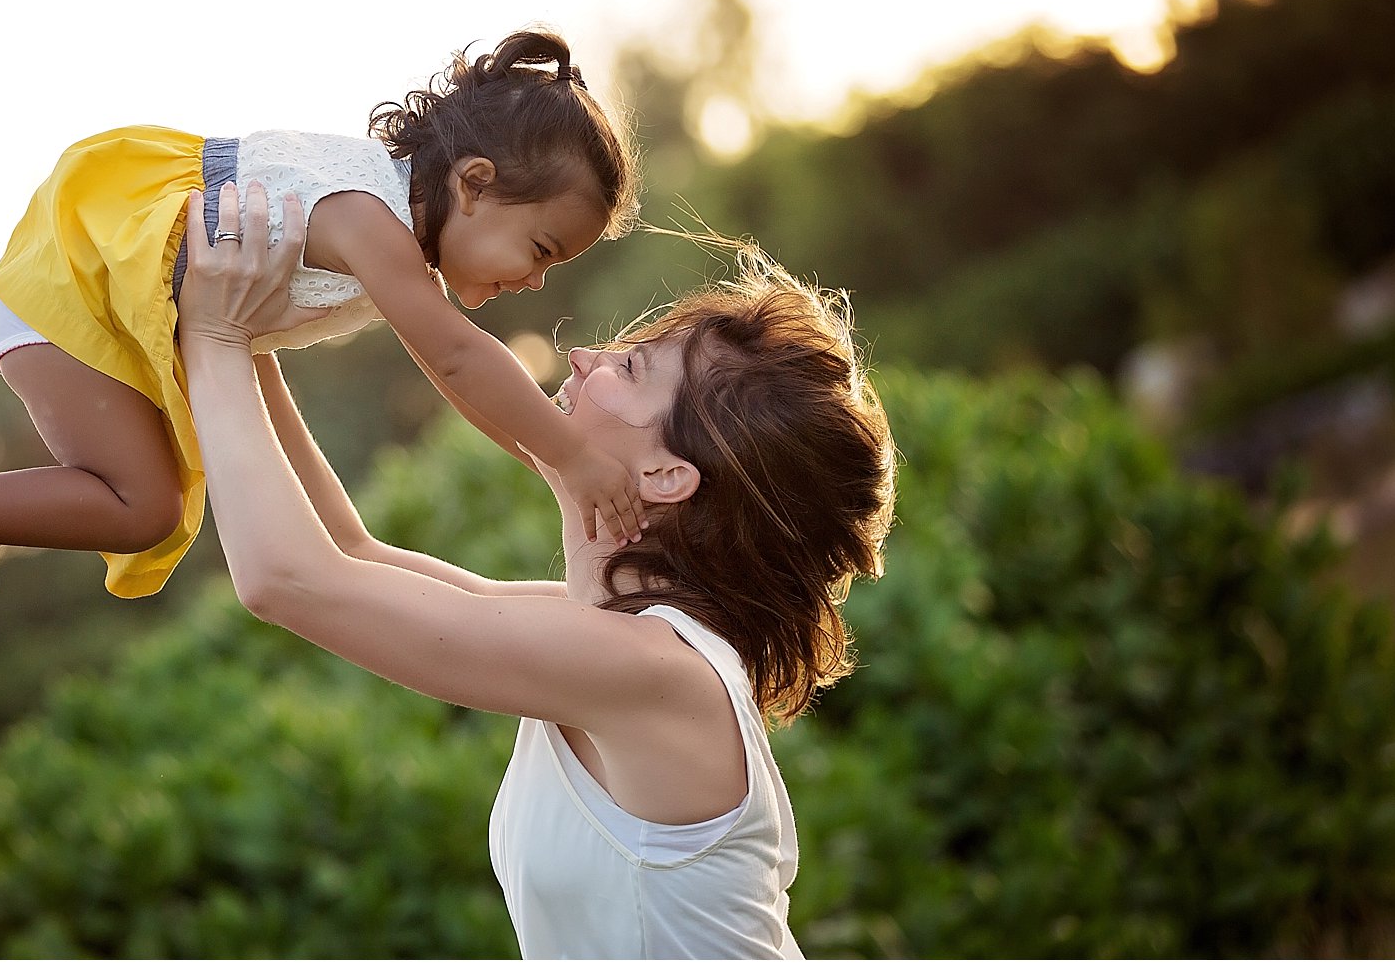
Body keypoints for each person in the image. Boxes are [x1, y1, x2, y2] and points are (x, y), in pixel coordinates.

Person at [177, 182, 897, 958]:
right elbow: (352, 557)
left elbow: (288, 581)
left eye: (631, 366)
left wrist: (212, 337)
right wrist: (245, 345)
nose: (586, 356)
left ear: (666, 477)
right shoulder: (604, 632)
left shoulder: (652, 668)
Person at [0, 28, 645, 643]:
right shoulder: (368, 216)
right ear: (473, 185)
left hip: (131, 305)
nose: (538, 280)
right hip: (80, 283)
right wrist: (571, 459)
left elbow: (379, 495)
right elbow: (460, 360)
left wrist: (560, 469)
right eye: (541, 250)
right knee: (145, 508)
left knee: (146, 503)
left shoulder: (386, 253)